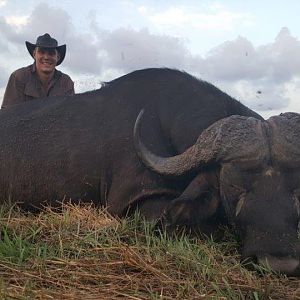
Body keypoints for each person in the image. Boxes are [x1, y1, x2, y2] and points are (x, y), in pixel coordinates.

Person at [1, 33, 74, 109]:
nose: (46, 57)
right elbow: (7, 115)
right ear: (34, 54)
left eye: (51, 53)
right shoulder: (19, 77)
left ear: (58, 57)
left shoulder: (66, 82)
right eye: (42, 52)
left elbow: (73, 113)